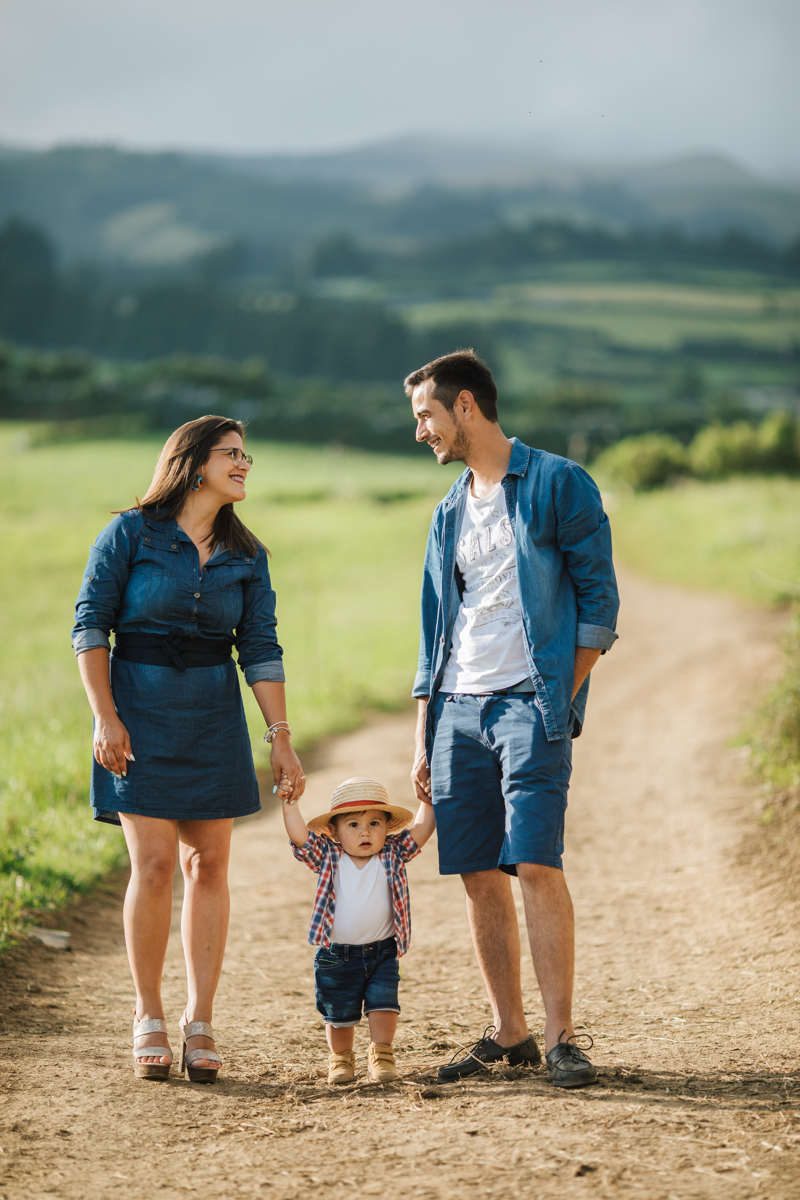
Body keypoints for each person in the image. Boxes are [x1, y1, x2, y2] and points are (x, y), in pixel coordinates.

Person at [406, 350, 619, 1088]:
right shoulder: (447, 513)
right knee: (475, 870)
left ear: (466, 405)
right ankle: (510, 1032)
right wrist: (424, 734)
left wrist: (556, 691)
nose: (421, 431)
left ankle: (561, 1039)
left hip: (531, 701)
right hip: (457, 708)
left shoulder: (559, 482)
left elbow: (599, 605)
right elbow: (434, 633)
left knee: (534, 861)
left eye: (426, 416)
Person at [72, 415, 305, 1082]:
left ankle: (199, 1019)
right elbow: (90, 626)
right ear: (194, 463)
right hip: (137, 717)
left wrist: (280, 740)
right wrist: (105, 717)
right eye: (232, 453)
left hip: (213, 719)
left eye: (247, 455)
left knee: (208, 865)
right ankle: (147, 1013)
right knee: (152, 866)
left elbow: (259, 647)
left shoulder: (248, 554)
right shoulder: (130, 533)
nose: (245, 464)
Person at [282, 777, 436, 1084]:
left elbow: (421, 831)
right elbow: (300, 838)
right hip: (336, 956)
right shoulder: (329, 856)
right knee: (338, 1013)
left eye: (374, 823)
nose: (365, 832)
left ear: (387, 828)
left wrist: (428, 801)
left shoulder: (392, 853)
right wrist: (290, 803)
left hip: (383, 952)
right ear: (334, 832)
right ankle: (341, 1058)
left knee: (385, 1005)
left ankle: (382, 1054)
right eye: (353, 824)